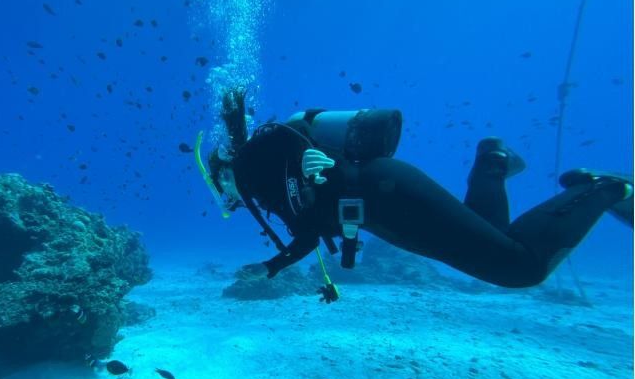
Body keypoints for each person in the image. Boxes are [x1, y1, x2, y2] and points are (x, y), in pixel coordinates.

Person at [199, 87, 633, 291]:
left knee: (519, 267)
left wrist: (308, 155)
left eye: (219, 186)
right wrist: (271, 267)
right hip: (380, 211)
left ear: (222, 171)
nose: (227, 199)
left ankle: (605, 188)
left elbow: (280, 135)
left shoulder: (251, 164)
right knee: (491, 232)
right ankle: (492, 161)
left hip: (383, 193)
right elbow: (310, 233)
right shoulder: (263, 188)